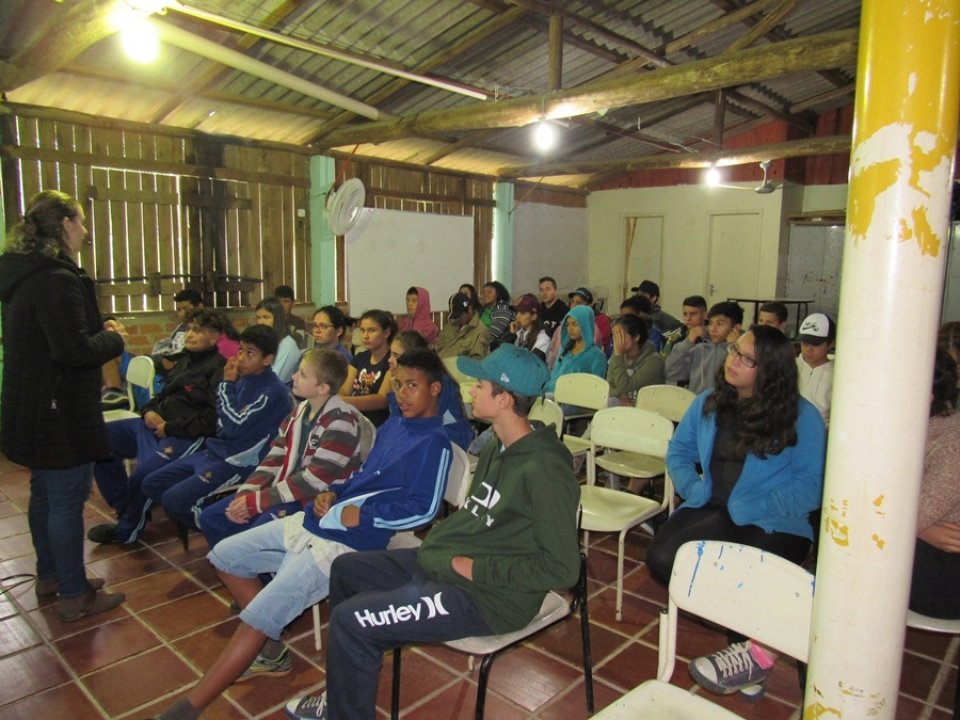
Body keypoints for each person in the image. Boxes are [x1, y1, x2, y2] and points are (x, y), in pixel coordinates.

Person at [283, 344, 580, 720]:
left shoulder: (545, 471)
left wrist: (476, 569)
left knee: (350, 620)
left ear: (504, 399)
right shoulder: (497, 449)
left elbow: (563, 569)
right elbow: (478, 519)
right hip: (450, 568)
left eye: (480, 385)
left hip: (490, 598)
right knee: (347, 570)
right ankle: (343, 693)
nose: (470, 390)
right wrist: (450, 553)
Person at [152, 349, 452, 720]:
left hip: (348, 541)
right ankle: (272, 647)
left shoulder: (434, 441)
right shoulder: (394, 424)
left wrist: (365, 514)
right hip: (319, 519)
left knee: (255, 619)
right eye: (400, 384)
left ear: (435, 389)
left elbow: (424, 508)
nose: (402, 393)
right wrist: (335, 493)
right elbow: (359, 477)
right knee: (225, 557)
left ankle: (190, 707)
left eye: (413, 386)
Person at [646, 325, 826, 697]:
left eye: (747, 359)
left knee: (743, 574)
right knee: (662, 560)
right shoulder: (709, 402)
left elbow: (814, 484)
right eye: (733, 351)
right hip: (712, 504)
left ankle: (750, 657)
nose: (733, 361)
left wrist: (761, 504)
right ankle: (746, 639)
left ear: (771, 370)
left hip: (775, 519)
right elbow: (679, 453)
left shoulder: (802, 417)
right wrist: (694, 487)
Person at [0, 189, 126, 622]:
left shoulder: (23, 274)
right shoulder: (56, 279)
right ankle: (74, 593)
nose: (86, 232)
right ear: (67, 225)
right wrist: (114, 336)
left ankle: (52, 575)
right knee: (67, 500)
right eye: (82, 222)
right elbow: (73, 350)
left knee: (44, 494)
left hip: (33, 405)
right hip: (59, 411)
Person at [199, 349, 365, 549]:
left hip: (315, 500)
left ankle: (261, 572)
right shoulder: (300, 411)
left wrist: (256, 502)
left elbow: (313, 481)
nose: (293, 377)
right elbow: (275, 456)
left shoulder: (342, 422)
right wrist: (247, 493)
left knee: (254, 534)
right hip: (287, 491)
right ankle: (245, 571)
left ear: (322, 388)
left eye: (302, 374)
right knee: (211, 518)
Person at [88, 308, 227, 546]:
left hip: (183, 436)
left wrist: (169, 427)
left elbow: (211, 420)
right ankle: (128, 507)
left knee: (143, 475)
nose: (189, 335)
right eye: (189, 329)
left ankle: (128, 531)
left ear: (214, 337)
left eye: (197, 330)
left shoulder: (219, 369)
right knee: (98, 441)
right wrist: (148, 411)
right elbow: (162, 396)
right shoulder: (183, 360)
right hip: (150, 425)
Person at [142, 324, 294, 535]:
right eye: (240, 350)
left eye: (250, 353)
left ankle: (220, 530)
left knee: (174, 501)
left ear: (267, 359)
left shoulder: (273, 391)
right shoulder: (243, 379)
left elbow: (234, 426)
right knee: (151, 482)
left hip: (238, 462)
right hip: (214, 451)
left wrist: (226, 384)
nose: (241, 357)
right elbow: (220, 420)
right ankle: (213, 522)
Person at [911, 348, 960, 619]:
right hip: (924, 546)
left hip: (945, 576)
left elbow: (910, 515)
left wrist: (914, 528)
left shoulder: (952, 444)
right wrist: (923, 530)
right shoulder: (908, 429)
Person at [386, 331, 474, 450]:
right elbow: (398, 423)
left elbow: (419, 424)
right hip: (426, 437)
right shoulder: (399, 382)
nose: (389, 360)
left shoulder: (441, 382)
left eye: (396, 356)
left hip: (452, 440)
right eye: (390, 354)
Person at [665, 301, 743, 394]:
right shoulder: (700, 348)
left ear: (736, 328)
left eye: (720, 324)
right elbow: (672, 374)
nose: (713, 329)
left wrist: (734, 349)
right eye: (710, 323)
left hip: (725, 406)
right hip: (697, 403)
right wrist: (687, 343)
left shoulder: (741, 354)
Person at [339, 309, 396, 427]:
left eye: (372, 330)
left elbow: (382, 400)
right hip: (355, 420)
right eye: (362, 330)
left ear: (386, 333)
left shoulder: (392, 360)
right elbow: (345, 390)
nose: (365, 336)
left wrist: (343, 401)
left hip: (379, 424)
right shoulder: (360, 358)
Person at [545, 304, 608, 395]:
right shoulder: (564, 350)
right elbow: (554, 375)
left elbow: (596, 389)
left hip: (578, 403)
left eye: (575, 324)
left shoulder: (597, 356)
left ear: (585, 325)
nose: (570, 329)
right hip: (553, 397)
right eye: (568, 324)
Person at [608, 313, 665, 405]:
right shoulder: (616, 357)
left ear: (636, 337)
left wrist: (618, 356)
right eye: (614, 336)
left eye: (621, 336)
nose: (616, 342)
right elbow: (609, 387)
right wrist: (621, 395)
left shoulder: (654, 361)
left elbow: (625, 387)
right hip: (624, 406)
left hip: (647, 410)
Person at [796, 312, 836, 424]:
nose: (809, 349)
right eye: (805, 343)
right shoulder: (790, 366)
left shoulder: (837, 375)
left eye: (816, 344)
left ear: (831, 343)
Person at [255, 297, 301, 384]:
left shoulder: (287, 345)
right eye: (258, 318)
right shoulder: (263, 341)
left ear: (277, 319)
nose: (261, 322)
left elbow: (272, 381)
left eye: (266, 317)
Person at [434, 292, 489, 360]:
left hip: (457, 368)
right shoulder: (450, 325)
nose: (458, 318)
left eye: (460, 315)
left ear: (469, 309)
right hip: (439, 365)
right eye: (455, 315)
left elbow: (476, 360)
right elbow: (438, 347)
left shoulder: (480, 331)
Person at [501, 293, 549, 360]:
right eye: (518, 312)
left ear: (533, 317)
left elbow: (532, 364)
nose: (517, 316)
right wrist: (511, 336)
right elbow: (503, 354)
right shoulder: (518, 333)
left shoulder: (542, 338)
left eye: (522, 313)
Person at [660, 294, 708, 359]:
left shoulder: (713, 336)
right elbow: (666, 365)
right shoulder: (675, 337)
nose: (688, 318)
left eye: (693, 314)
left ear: (705, 315)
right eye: (685, 314)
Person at [568, 286, 612, 354]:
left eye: (578, 302)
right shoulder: (568, 321)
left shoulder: (602, 320)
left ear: (590, 305)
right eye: (572, 302)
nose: (574, 306)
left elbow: (599, 345)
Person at [479, 280, 513, 349]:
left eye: (489, 292)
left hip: (493, 347)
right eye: (483, 293)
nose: (485, 295)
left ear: (498, 294)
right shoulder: (484, 309)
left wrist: (477, 344)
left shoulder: (502, 310)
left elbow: (493, 334)